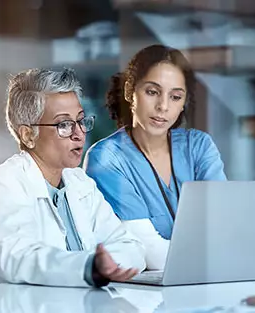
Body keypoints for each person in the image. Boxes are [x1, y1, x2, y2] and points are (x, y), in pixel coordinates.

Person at [0, 68, 146, 288]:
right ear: (28, 135)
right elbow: (18, 258)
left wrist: (106, 266)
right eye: (63, 124)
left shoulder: (80, 183)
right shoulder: (4, 183)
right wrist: (89, 267)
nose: (79, 133)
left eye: (81, 120)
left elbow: (131, 247)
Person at [83, 44, 227, 270]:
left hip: (203, 282)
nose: (163, 106)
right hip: (142, 296)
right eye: (152, 92)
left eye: (176, 97)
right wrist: (215, 257)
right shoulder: (107, 159)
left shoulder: (198, 146)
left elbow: (222, 229)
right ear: (130, 90)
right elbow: (152, 255)